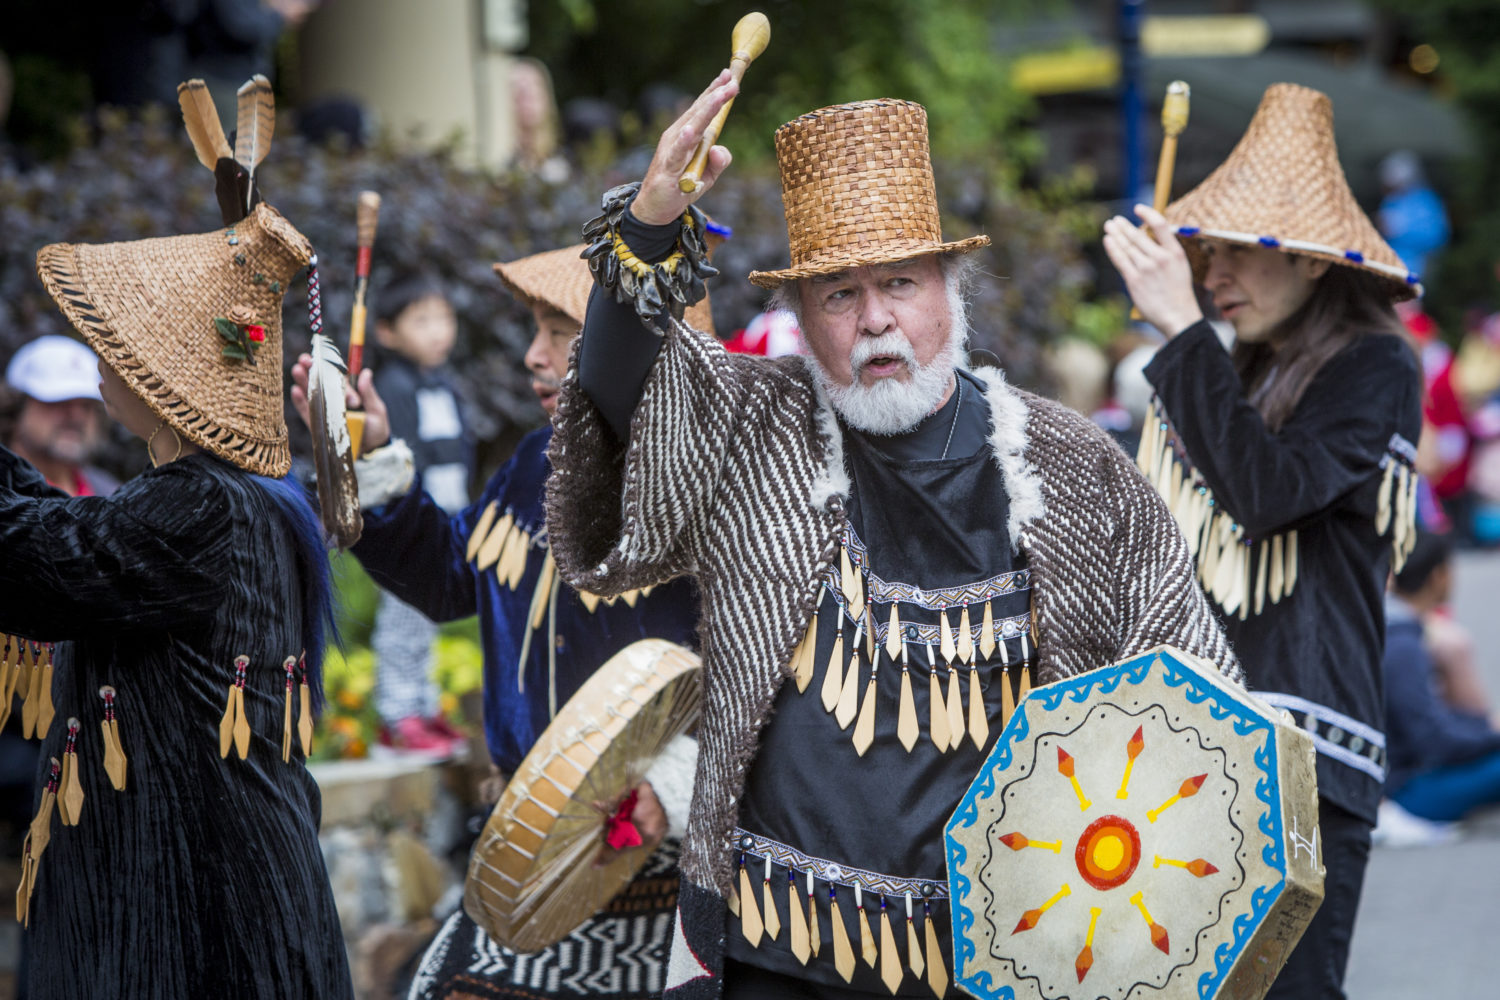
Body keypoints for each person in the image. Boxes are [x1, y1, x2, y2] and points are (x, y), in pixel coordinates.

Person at [544, 73, 1237, 999]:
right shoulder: (755, 426)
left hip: (1008, 949)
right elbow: (619, 390)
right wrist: (653, 219)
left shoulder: (1073, 463)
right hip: (778, 944)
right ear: (803, 315)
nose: (875, 320)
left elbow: (1189, 691)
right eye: (839, 295)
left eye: (901, 284)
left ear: (951, 291)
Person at [291, 243, 710, 999]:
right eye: (535, 331)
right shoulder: (531, 462)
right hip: (522, 852)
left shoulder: (706, 483)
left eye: (558, 331)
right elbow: (454, 577)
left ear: (638, 345)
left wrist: (675, 784)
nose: (531, 356)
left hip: (658, 870)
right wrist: (377, 453)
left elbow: (766, 667)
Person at [1102, 82, 1424, 1000]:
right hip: (1183, 753)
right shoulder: (1226, 359)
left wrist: (1179, 331)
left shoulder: (1376, 361)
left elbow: (1270, 496)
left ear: (1317, 263)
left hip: (1305, 759)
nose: (1213, 278)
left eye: (1240, 252)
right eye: (1205, 254)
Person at [3, 196, 351, 995]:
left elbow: (42, 558)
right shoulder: (239, 495)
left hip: (207, 896)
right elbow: (69, 534)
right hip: (229, 877)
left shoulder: (200, 505)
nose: (100, 352)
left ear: (164, 378)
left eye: (116, 340)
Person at [367, 270, 475, 754]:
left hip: (448, 520)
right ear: (387, 332)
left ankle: (425, 708)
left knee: (430, 617)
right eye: (422, 320)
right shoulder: (394, 386)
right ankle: (398, 713)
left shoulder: (445, 385)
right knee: (404, 618)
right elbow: (402, 458)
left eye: (444, 319)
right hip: (413, 527)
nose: (438, 331)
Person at [1382, 531, 1500, 824]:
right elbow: (1432, 740)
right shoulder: (1403, 645)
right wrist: (1491, 737)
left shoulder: (1398, 634)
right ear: (1439, 576)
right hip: (1408, 791)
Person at [3, 335, 118, 498]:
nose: (77, 416)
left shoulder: (111, 494)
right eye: (59, 401)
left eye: (86, 405)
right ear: (15, 408)